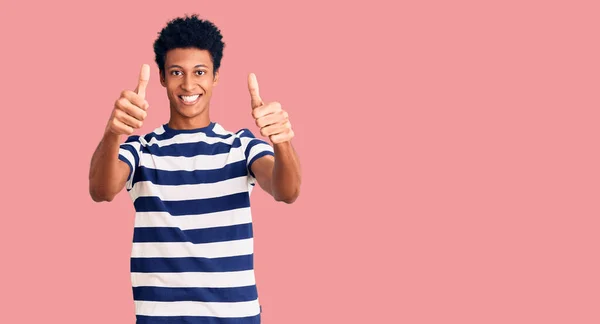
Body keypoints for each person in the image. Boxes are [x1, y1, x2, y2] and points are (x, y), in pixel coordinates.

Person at [88, 14, 302, 324]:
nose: (188, 84)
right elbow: (101, 190)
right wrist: (113, 132)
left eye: (199, 72)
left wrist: (282, 141)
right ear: (162, 77)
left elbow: (287, 191)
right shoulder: (141, 149)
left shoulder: (241, 146)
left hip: (235, 317)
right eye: (177, 72)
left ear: (215, 77)